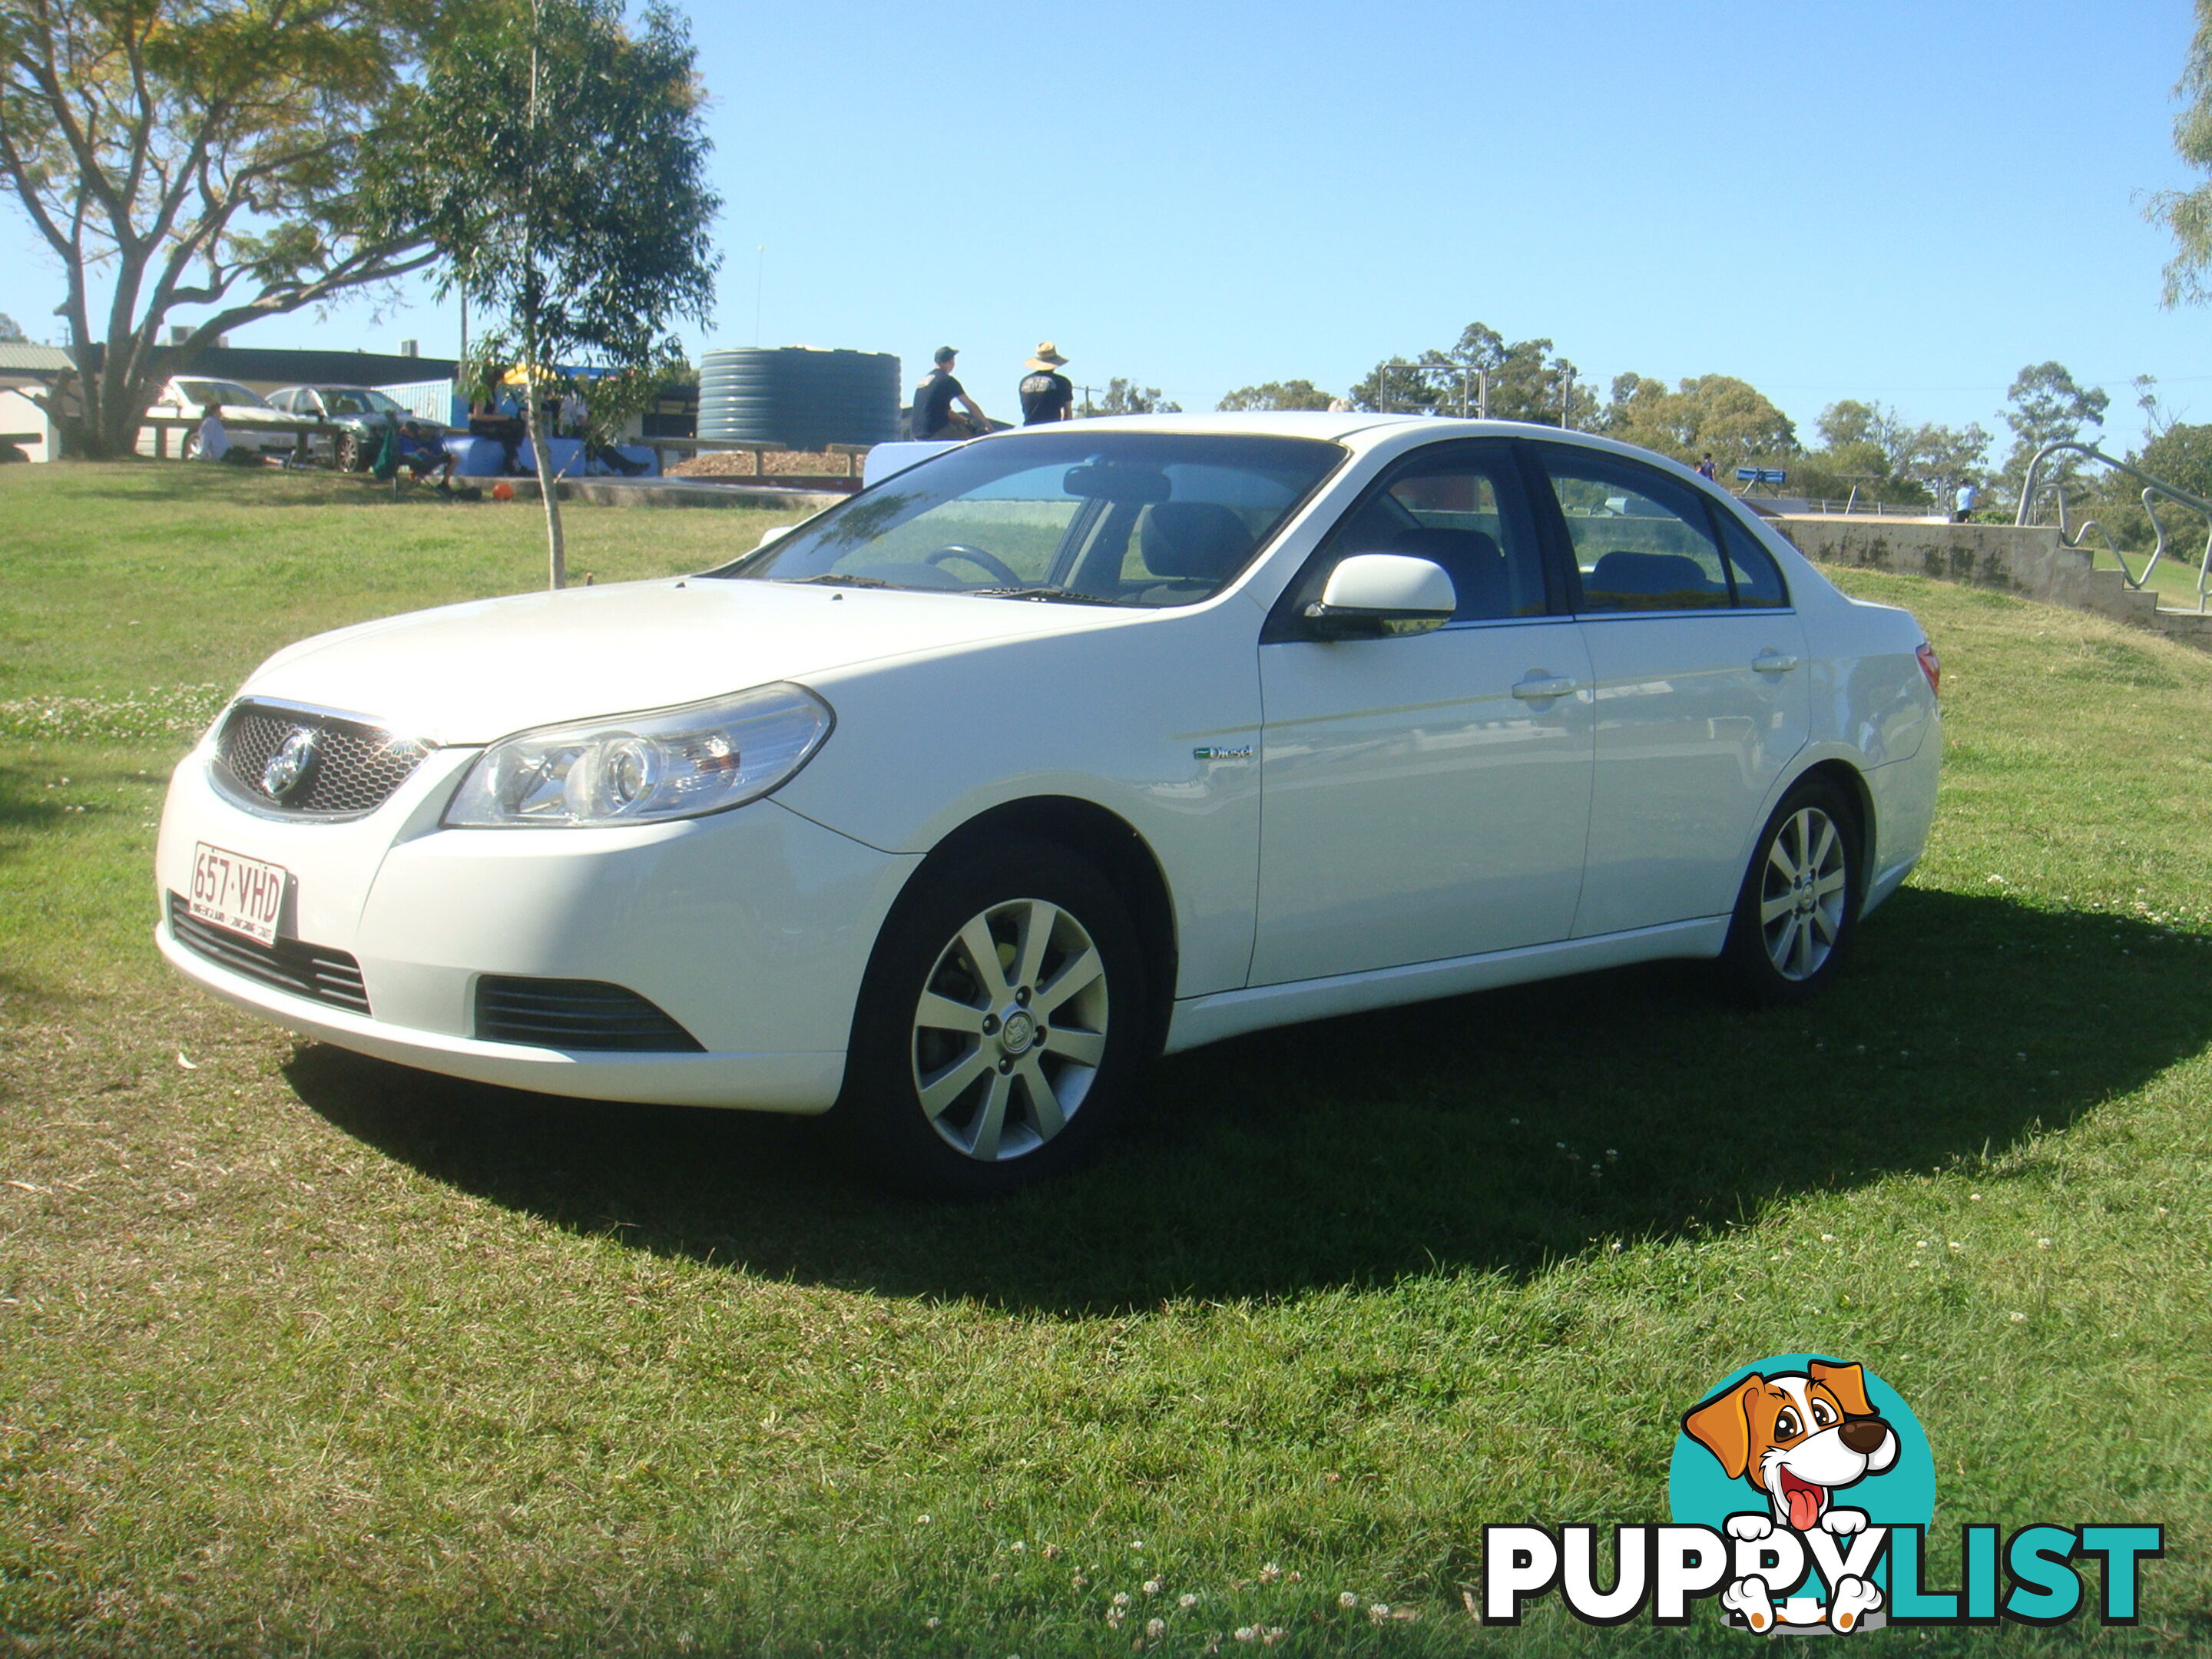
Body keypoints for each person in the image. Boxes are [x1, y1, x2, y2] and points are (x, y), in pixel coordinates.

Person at [912, 346, 988, 439]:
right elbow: (971, 407)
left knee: (961, 424)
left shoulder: (924, 381)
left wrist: (966, 420)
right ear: (951, 361)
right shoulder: (948, 381)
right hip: (937, 431)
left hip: (917, 434)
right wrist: (989, 428)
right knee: (976, 436)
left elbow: (944, 412)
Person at [468, 386, 526, 475]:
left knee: (517, 425)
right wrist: (501, 418)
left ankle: (511, 460)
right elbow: (478, 416)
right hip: (480, 426)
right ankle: (512, 463)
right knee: (506, 433)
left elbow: (493, 413)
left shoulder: (492, 394)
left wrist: (504, 418)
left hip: (490, 423)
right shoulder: (482, 392)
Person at [1017, 341, 1074, 425]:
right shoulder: (1062, 382)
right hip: (1051, 430)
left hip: (1029, 430)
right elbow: (1068, 414)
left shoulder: (1024, 382)